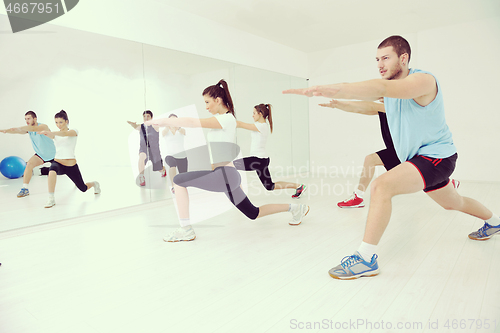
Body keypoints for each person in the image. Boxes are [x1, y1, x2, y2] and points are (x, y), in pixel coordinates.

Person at [283, 35, 500, 279]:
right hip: (425, 160)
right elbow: (371, 106)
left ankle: (365, 258)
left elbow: (381, 88)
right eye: (377, 59)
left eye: (386, 58)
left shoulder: (423, 81)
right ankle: (495, 222)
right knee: (453, 203)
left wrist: (323, 88)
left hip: (436, 157)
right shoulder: (393, 96)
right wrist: (339, 104)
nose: (380, 64)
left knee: (381, 186)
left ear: (404, 58)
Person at [146, 79, 309, 242]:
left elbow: (192, 122)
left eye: (207, 102)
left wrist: (164, 121)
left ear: (218, 100)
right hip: (226, 175)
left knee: (178, 180)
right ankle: (295, 208)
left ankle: (186, 229)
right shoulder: (224, 119)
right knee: (253, 213)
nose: (206, 107)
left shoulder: (226, 119)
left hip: (225, 176)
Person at [325, 100, 460, 208]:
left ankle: (447, 183)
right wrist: (338, 105)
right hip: (397, 150)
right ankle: (358, 197)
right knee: (371, 160)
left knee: (418, 182)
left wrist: (340, 103)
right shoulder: (384, 107)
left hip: (411, 151)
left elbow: (370, 105)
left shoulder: (400, 107)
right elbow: (362, 108)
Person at [234, 103, 306, 199]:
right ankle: (298, 186)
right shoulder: (261, 126)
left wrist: (227, 119)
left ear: (260, 114)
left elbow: (239, 124)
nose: (252, 115)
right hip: (262, 160)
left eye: (254, 113)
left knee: (231, 166)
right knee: (269, 186)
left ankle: (242, 194)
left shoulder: (261, 126)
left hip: (257, 160)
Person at [39, 110, 100, 208]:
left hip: (71, 165)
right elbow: (50, 135)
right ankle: (51, 198)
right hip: (58, 162)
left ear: (66, 121)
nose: (58, 125)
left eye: (60, 122)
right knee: (52, 170)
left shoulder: (74, 131)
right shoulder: (55, 134)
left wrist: (50, 132)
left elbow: (65, 134)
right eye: (56, 122)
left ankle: (94, 184)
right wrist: (43, 133)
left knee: (83, 188)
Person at [0, 111, 56, 197]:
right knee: (29, 164)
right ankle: (25, 189)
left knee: (66, 170)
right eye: (25, 119)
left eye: (29, 118)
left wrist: (19, 128)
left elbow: (33, 129)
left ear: (35, 119)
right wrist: (5, 130)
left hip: (54, 154)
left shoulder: (43, 126)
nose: (27, 121)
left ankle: (79, 183)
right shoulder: (28, 130)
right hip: (40, 155)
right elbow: (17, 131)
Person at [127, 110, 166, 186]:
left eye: (148, 116)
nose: (146, 118)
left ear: (151, 117)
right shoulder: (141, 127)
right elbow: (136, 126)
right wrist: (132, 124)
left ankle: (163, 170)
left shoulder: (155, 126)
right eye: (144, 116)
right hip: (144, 149)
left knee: (159, 169)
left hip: (154, 152)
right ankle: (141, 177)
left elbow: (160, 124)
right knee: (142, 156)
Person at [161, 114, 188, 194]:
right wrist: (168, 124)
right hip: (170, 155)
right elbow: (163, 133)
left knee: (183, 178)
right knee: (172, 165)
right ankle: (173, 186)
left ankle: (181, 188)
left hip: (182, 156)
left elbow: (183, 132)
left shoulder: (181, 130)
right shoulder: (166, 131)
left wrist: (177, 125)